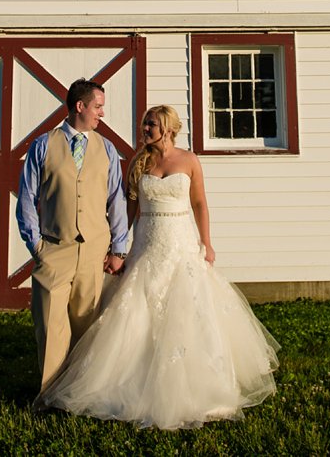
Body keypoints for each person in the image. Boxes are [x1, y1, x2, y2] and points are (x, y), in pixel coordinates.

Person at [35, 105, 279, 429]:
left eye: (151, 124)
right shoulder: (139, 163)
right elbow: (128, 209)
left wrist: (207, 242)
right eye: (144, 124)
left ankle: (199, 386)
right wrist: (118, 249)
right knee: (138, 310)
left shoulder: (189, 160)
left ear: (168, 128)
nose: (145, 129)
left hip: (180, 242)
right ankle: (129, 383)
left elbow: (200, 204)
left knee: (189, 308)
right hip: (147, 243)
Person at [16, 78, 128, 394]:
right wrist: (36, 244)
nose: (102, 113)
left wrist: (118, 249)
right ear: (80, 106)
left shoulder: (107, 149)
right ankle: (48, 394)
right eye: (98, 107)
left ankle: (80, 394)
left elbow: (116, 201)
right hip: (53, 249)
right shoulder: (42, 145)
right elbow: (27, 198)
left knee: (86, 326)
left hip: (94, 250)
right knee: (50, 326)